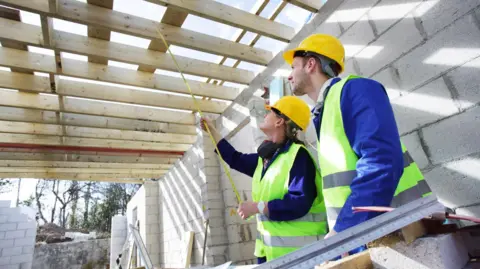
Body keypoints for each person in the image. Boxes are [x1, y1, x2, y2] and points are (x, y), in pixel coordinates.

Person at [283, 34, 433, 254]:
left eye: (294, 66)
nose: (289, 76)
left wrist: (345, 228)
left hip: (404, 234)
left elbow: (381, 161)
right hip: (370, 237)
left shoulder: (355, 90)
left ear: (311, 64)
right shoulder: (326, 111)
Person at [200, 96, 327, 263]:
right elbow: (234, 158)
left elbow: (299, 203)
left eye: (270, 112)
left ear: (279, 121)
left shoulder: (298, 155)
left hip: (300, 257)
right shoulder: (265, 160)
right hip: (269, 254)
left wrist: (257, 207)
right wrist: (212, 130)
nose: (265, 114)